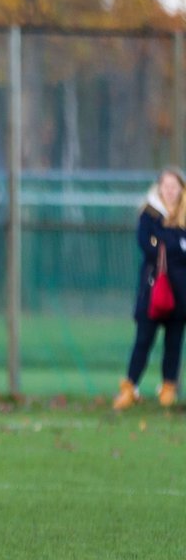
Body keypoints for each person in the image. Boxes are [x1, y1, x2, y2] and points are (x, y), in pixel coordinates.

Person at [113, 168, 186, 409]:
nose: (170, 191)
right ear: (159, 187)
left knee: (174, 342)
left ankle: (168, 388)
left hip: (180, 293)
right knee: (143, 339)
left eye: (175, 186)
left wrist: (166, 243)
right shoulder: (148, 214)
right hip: (153, 290)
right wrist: (173, 245)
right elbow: (148, 245)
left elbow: (169, 247)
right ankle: (130, 387)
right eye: (166, 185)